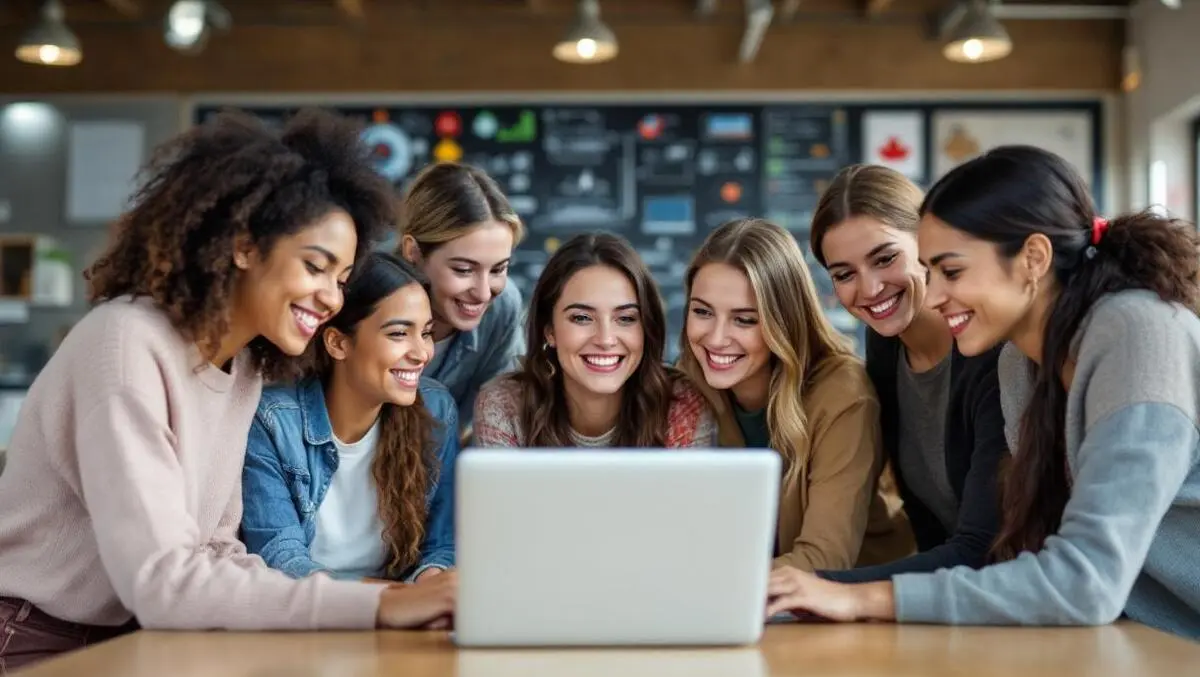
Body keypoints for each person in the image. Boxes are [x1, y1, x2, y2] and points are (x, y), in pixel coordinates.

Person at [0, 109, 455, 671]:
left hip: (142, 637)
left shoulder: (241, 368)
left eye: (340, 281)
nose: (332, 299)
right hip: (37, 640)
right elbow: (164, 582)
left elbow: (217, 552)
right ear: (244, 245)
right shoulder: (124, 343)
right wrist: (382, 602)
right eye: (315, 266)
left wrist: (390, 600)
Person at [767, 145, 1200, 641]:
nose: (930, 296)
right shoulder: (1021, 360)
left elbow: (1086, 578)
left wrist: (858, 596)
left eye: (950, 272)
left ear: (1033, 258)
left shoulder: (1138, 332)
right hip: (1137, 634)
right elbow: (1029, 550)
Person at [806, 164, 1008, 582]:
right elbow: (932, 529)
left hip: (1027, 604)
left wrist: (816, 586)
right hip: (955, 604)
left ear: (927, 242)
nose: (869, 289)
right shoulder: (884, 346)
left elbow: (984, 548)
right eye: (843, 274)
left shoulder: (994, 354)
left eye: (885, 259)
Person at [678, 217, 914, 572]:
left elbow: (824, 560)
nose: (715, 338)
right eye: (702, 312)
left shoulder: (842, 394)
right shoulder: (688, 387)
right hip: (762, 606)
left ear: (783, 320)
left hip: (864, 607)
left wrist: (702, 584)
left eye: (744, 320)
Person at [240, 252, 458, 585]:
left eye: (426, 333)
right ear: (338, 343)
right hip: (306, 618)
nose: (421, 353)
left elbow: (439, 545)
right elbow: (279, 555)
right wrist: (391, 599)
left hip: (402, 615)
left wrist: (431, 586)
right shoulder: (273, 421)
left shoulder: (436, 409)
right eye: (399, 334)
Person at [473, 232, 717, 448]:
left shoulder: (682, 404)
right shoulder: (503, 405)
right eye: (581, 318)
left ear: (646, 328)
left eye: (626, 318)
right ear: (550, 330)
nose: (605, 339)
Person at [397, 162, 525, 438]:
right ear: (413, 251)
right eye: (464, 270)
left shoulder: (502, 308)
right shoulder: (360, 300)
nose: (482, 293)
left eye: (498, 269)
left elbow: (499, 424)